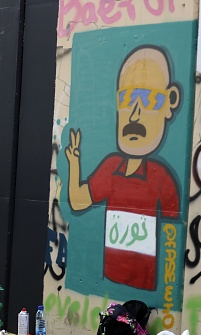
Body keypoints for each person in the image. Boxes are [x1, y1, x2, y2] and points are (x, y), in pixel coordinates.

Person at [65, 46, 180, 291]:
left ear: (170, 102)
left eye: (147, 99)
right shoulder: (111, 167)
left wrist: (168, 292)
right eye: (127, 100)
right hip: (108, 283)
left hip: (146, 288)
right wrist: (74, 163)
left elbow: (173, 242)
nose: (134, 114)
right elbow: (78, 202)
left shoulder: (163, 179)